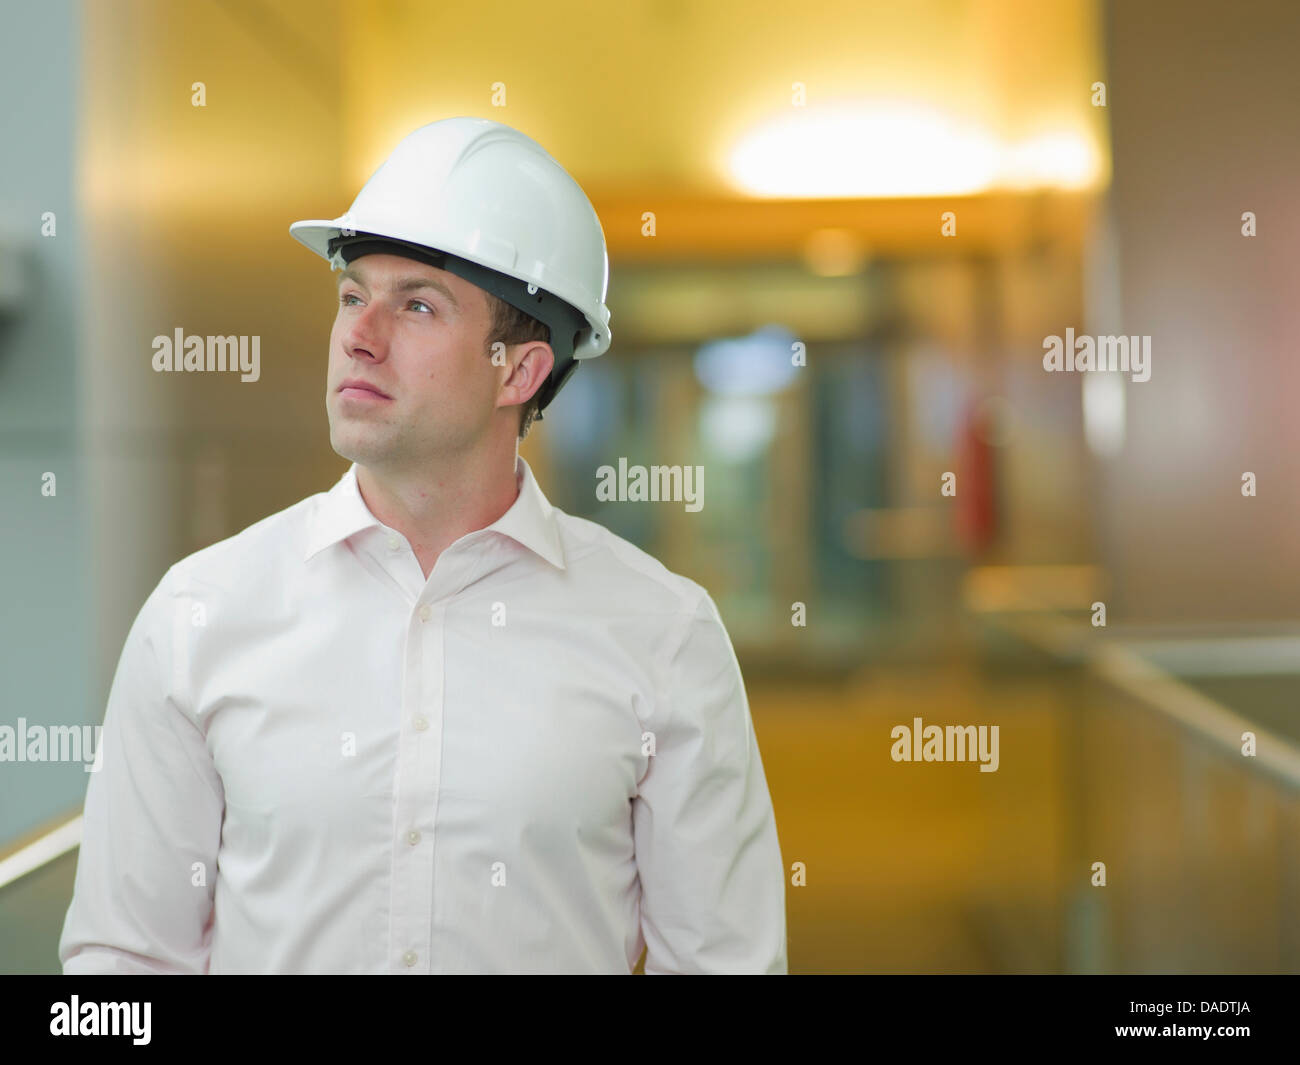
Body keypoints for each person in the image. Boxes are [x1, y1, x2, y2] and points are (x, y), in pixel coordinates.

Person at [58, 117, 787, 974]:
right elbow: (123, 962)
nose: (359, 336)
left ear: (520, 370)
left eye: (417, 305)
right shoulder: (200, 613)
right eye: (353, 295)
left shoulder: (663, 633)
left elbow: (723, 962)